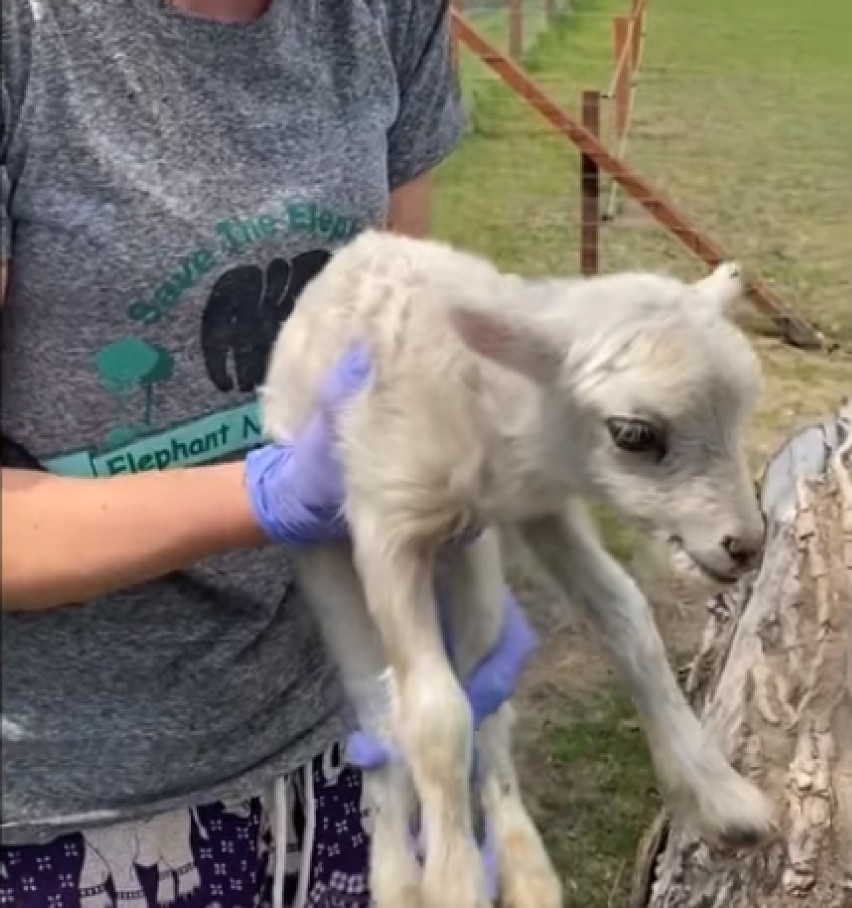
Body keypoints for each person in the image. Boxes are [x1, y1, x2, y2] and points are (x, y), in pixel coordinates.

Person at [0, 2, 538, 906]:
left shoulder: (386, 17)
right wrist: (260, 497)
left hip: (336, 735)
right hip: (79, 801)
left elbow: (400, 341)